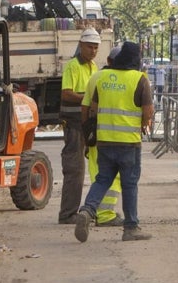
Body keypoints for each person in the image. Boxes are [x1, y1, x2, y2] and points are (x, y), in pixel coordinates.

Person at [75, 41, 154, 242]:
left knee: (102, 179)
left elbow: (92, 108)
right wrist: (143, 124)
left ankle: (87, 210)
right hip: (128, 142)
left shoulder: (102, 78)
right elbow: (148, 112)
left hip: (105, 141)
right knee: (129, 184)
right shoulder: (140, 79)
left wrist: (89, 134)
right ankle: (131, 228)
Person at [57, 29, 101, 225]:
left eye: (95, 48)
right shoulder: (73, 66)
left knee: (91, 169)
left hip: (85, 124)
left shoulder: (93, 66)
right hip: (74, 124)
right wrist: (88, 98)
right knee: (74, 169)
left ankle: (88, 209)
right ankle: (67, 214)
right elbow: (66, 93)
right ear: (81, 46)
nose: (93, 51)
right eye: (90, 47)